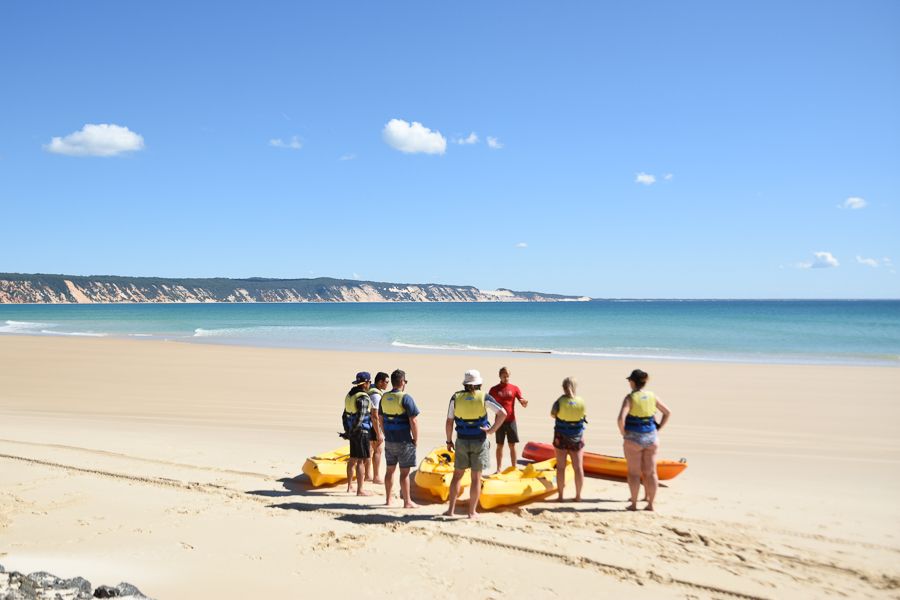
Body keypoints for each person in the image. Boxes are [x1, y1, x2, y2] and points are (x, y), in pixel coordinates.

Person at [443, 369, 507, 518]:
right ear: (479, 383)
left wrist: (448, 440)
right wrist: (492, 430)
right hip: (479, 440)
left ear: (465, 384)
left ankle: (450, 510)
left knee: (457, 476)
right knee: (476, 478)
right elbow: (502, 413)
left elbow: (449, 421)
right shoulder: (484, 396)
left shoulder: (455, 397)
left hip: (462, 440)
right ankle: (471, 512)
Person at [617, 369, 671, 511]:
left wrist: (624, 433)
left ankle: (634, 504)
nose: (629, 382)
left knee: (634, 473)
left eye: (630, 380)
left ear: (633, 382)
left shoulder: (630, 398)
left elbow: (620, 419)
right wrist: (658, 429)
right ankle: (650, 504)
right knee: (651, 472)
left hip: (633, 438)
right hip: (651, 437)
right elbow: (667, 412)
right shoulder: (652, 396)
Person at [379, 369, 420, 508]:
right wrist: (416, 439)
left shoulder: (384, 397)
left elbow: (380, 419)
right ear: (402, 382)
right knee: (404, 473)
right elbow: (413, 421)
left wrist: (386, 434)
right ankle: (407, 501)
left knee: (389, 470)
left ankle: (388, 500)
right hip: (404, 441)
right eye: (405, 381)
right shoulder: (406, 398)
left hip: (390, 440)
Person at [550, 377, 586, 502]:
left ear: (563, 387)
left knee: (561, 467)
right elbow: (583, 415)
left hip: (561, 437)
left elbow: (553, 414)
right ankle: (578, 496)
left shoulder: (559, 402)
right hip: (576, 437)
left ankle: (560, 496)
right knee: (578, 467)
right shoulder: (581, 402)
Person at [489, 366, 528, 473]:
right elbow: (487, 403)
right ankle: (498, 469)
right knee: (499, 445)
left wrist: (524, 402)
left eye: (507, 376)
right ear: (499, 376)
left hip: (511, 420)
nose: (506, 378)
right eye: (504, 376)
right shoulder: (493, 389)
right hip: (499, 422)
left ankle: (514, 468)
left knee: (512, 445)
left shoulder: (514, 388)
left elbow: (522, 400)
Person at [342, 372, 375, 496]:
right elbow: (361, 417)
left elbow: (345, 415)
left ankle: (350, 486)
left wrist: (348, 431)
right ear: (365, 383)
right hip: (361, 432)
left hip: (352, 431)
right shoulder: (363, 397)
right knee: (361, 461)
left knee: (352, 460)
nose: (369, 385)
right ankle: (360, 490)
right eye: (369, 382)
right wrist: (354, 430)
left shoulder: (349, 396)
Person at [365, 371, 389, 484]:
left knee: (369, 450)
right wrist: (379, 433)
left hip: (366, 424)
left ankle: (367, 475)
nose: (387, 384)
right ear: (380, 382)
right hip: (372, 425)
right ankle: (376, 476)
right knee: (378, 450)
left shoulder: (372, 389)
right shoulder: (376, 396)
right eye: (386, 382)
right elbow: (374, 415)